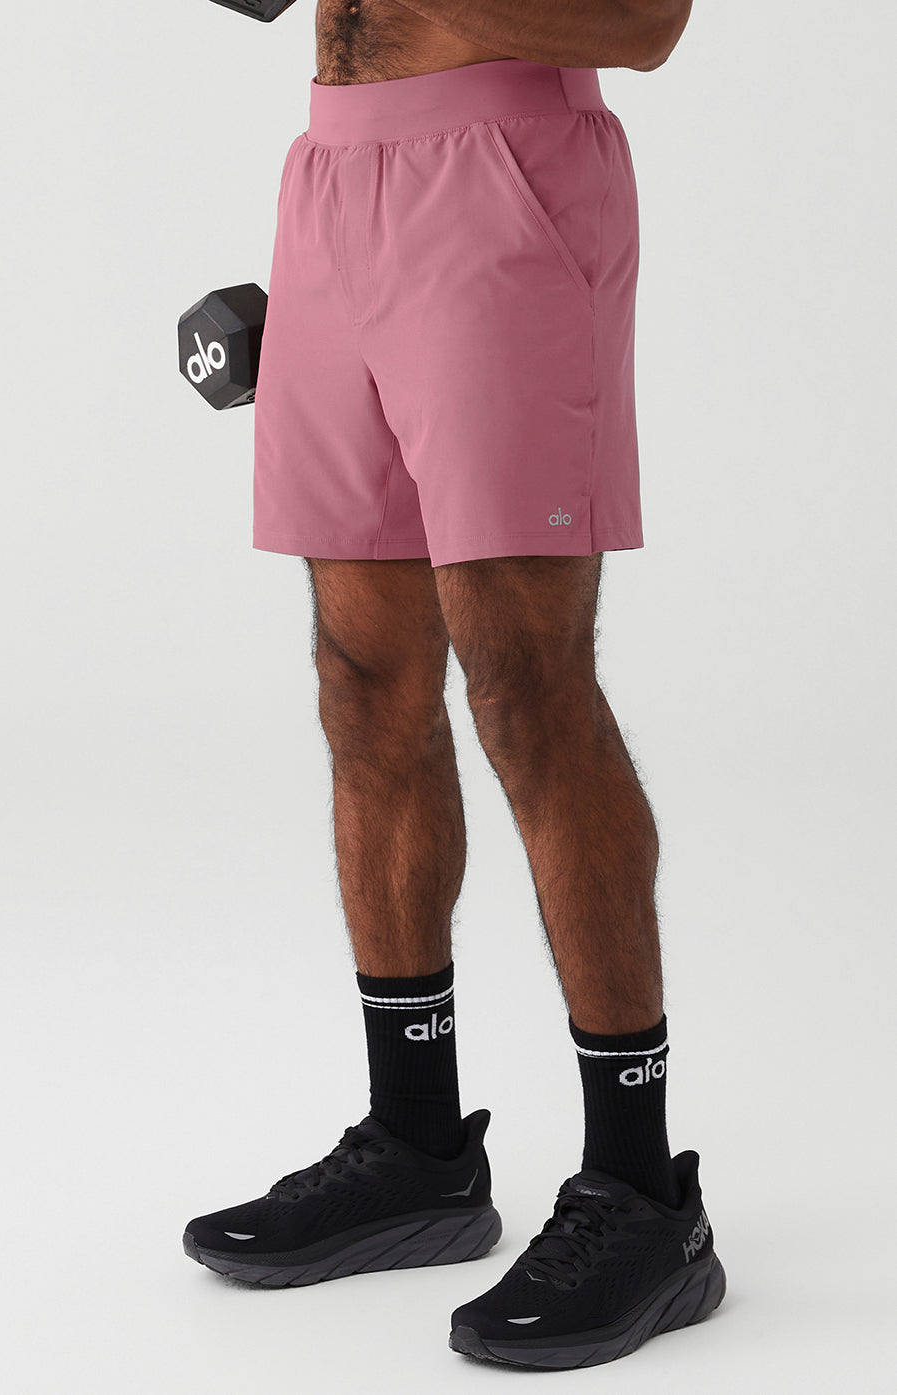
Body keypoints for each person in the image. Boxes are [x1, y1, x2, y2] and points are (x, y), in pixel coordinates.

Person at [183, 0, 726, 1369]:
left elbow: (645, 22)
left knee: (527, 689)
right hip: (330, 175)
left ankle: (641, 1194)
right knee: (362, 679)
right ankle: (418, 1145)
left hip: (500, 180)